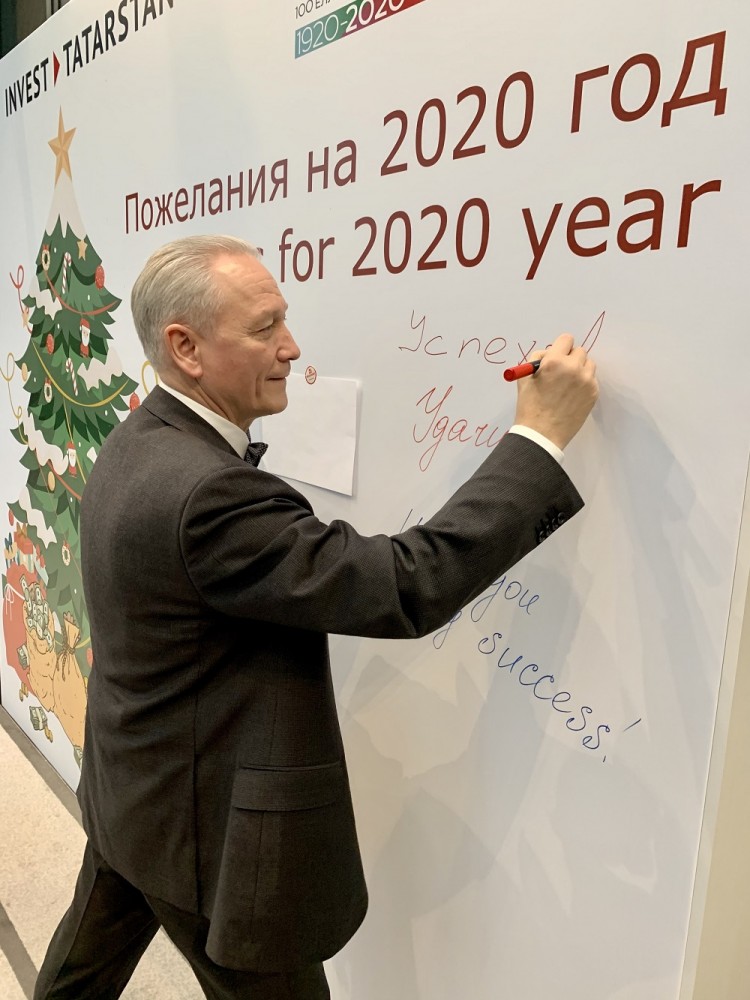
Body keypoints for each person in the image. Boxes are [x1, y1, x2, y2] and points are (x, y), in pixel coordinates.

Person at [34, 234, 598, 999]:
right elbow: (408, 585)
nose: (292, 346)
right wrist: (539, 438)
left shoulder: (140, 439)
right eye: (264, 326)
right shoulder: (209, 495)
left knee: (78, 975)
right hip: (207, 842)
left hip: (131, 793)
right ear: (185, 348)